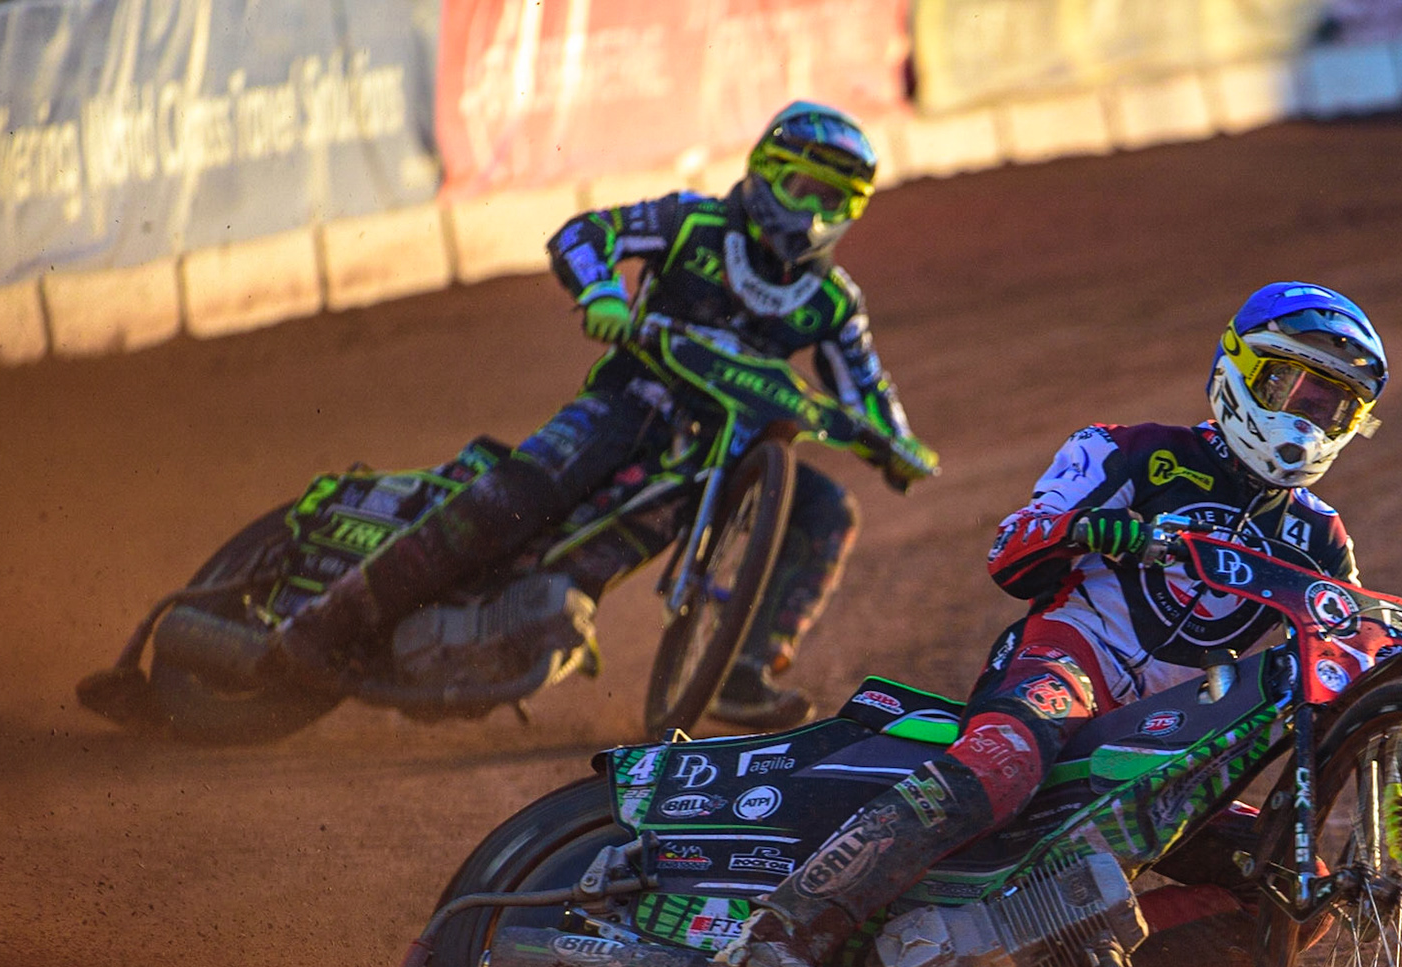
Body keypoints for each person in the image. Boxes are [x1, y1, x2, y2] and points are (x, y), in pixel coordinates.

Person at [710, 282, 1395, 967]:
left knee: (1294, 888)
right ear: (1240, 370)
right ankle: (784, 929)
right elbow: (1010, 550)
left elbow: (1348, 653)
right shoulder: (1133, 449)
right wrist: (1085, 528)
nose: (1309, 417)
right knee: (1007, 761)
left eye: (1335, 404)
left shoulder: (1319, 533)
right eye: (1295, 386)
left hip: (1168, 739)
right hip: (1066, 666)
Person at [274, 101, 938, 728]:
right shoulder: (693, 223)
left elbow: (866, 388)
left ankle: (740, 670)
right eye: (803, 188)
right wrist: (602, 293)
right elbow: (586, 232)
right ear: (766, 175)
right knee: (514, 499)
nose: (814, 212)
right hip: (629, 403)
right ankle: (322, 624)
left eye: (834, 200)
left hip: (717, 458)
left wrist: (898, 443)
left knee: (826, 511)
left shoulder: (832, 301)